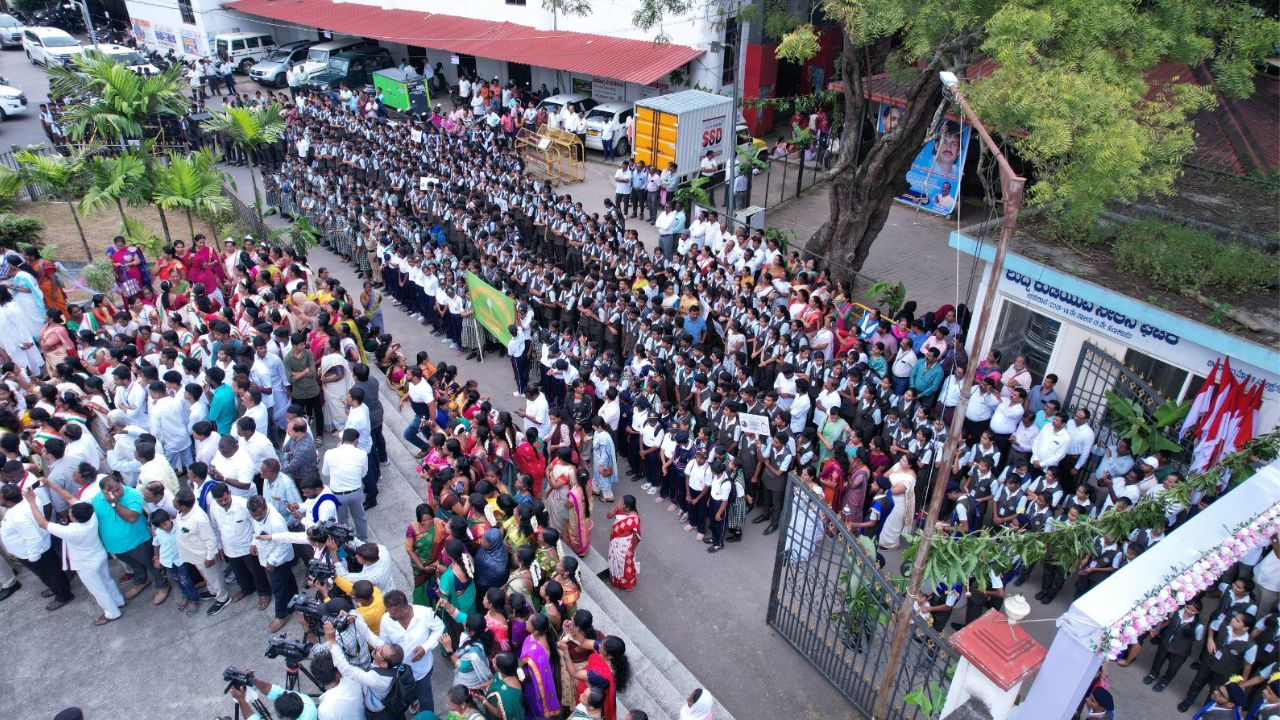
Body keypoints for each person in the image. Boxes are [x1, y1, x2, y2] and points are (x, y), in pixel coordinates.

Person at [376, 589, 445, 714]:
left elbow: (439, 628)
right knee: (407, 693)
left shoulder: (425, 614)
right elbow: (384, 642)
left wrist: (425, 647)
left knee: (426, 699)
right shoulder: (386, 620)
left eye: (394, 612)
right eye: (388, 611)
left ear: (405, 608)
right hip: (400, 671)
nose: (390, 615)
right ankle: (413, 700)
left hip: (421, 670)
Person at [248, 495, 298, 633]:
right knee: (287, 581)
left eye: (259, 514)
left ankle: (281, 615)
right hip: (266, 553)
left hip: (278, 559)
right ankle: (295, 603)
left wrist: (272, 561)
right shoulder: (256, 515)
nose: (257, 517)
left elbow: (284, 543)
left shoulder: (276, 522)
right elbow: (256, 529)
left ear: (265, 508)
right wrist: (254, 542)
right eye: (254, 515)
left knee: (278, 588)